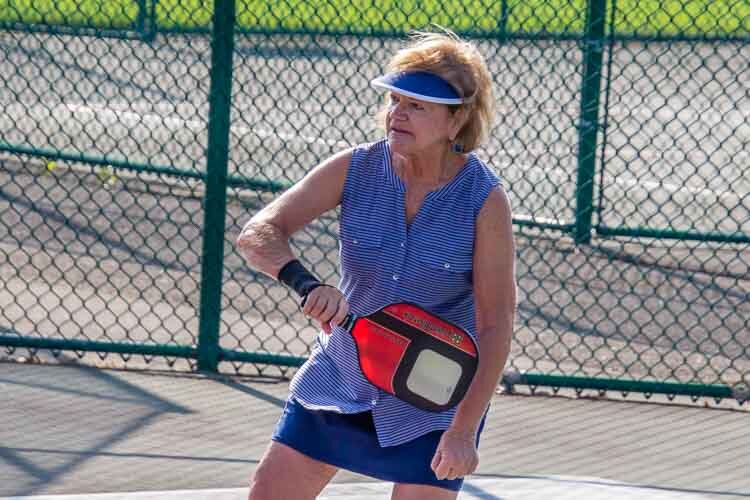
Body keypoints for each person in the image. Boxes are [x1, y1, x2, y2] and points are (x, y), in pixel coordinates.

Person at [237, 28, 517, 500]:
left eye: (417, 106)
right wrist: (305, 283)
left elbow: (495, 324)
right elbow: (258, 233)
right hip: (343, 375)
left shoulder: (484, 200)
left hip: (433, 395)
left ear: (457, 120)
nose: (397, 114)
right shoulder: (357, 167)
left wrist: (464, 430)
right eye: (395, 101)